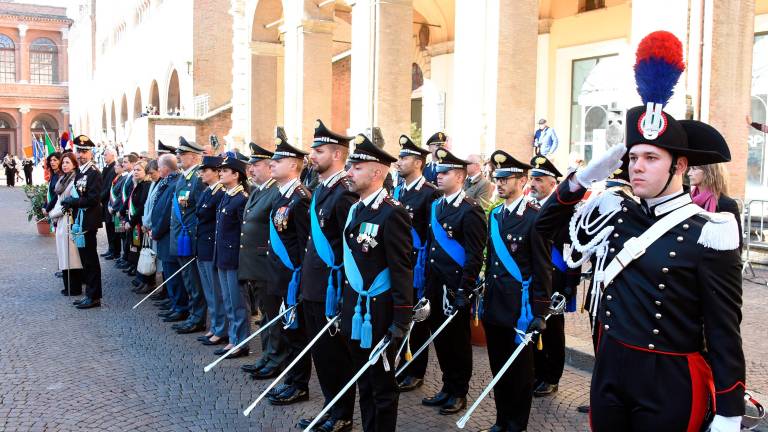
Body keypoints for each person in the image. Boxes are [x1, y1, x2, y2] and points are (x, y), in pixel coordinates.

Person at [536, 31, 745, 432]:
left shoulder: (709, 231)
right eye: (632, 157)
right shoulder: (617, 212)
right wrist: (583, 177)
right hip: (610, 373)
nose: (637, 167)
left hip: (669, 382)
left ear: (679, 166)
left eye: (651, 157)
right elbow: (544, 227)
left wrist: (729, 409)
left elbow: (724, 329)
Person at [339, 133, 412, 432]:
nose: (349, 173)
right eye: (350, 167)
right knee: (363, 382)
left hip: (379, 314)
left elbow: (402, 270)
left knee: (382, 386)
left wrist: (400, 321)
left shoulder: (392, 213)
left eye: (356, 168)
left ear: (376, 172)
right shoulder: (355, 209)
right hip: (356, 310)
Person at [480, 150, 552, 432]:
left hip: (520, 308)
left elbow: (543, 267)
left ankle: (516, 425)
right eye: (497, 178)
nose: (499, 183)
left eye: (505, 179)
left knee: (520, 371)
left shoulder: (535, 217)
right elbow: (492, 261)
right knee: (499, 366)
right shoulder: (495, 214)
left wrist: (540, 311)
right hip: (494, 303)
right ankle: (501, 421)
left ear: (522, 181)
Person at [295, 120, 357, 431]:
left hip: (331, 290)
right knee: (322, 355)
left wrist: (343, 294)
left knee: (335, 357)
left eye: (319, 151)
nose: (312, 156)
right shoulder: (323, 189)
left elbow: (350, 249)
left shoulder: (344, 194)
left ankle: (342, 414)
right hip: (314, 285)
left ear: (336, 154)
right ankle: (330, 407)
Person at [421, 147, 487, 415]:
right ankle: (447, 387)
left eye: (445, 172)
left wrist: (464, 290)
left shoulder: (470, 210)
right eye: (438, 171)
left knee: (458, 342)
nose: (438, 175)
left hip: (455, 288)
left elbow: (474, 256)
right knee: (441, 339)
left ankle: (459, 392)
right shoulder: (437, 206)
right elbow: (431, 248)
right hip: (435, 285)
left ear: (460, 176)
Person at [265, 134, 312, 406]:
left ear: (294, 165)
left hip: (293, 278)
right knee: (286, 330)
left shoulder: (300, 198)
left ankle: (299, 385)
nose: (271, 163)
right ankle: (291, 379)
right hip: (279, 275)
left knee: (296, 334)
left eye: (278, 160)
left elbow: (305, 245)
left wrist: (300, 282)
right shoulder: (281, 195)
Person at [527, 155, 579, 399]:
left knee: (553, 331)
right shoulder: (529, 208)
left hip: (556, 278)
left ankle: (551, 377)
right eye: (532, 179)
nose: (533, 184)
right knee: (535, 327)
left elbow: (574, 249)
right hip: (534, 278)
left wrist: (570, 285)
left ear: (552, 183)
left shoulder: (566, 210)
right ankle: (537, 372)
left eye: (539, 180)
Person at [393, 134, 441, 393]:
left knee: (417, 320)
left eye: (404, 158)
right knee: (400, 316)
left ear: (418, 163)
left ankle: (415, 370)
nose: (399, 162)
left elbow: (433, 236)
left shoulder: (430, 194)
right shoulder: (398, 191)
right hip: (398, 263)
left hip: (417, 267)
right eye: (399, 157)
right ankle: (402, 363)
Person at [239, 143, 286, 380]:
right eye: (250, 165)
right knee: (265, 315)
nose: (251, 169)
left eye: (256, 165)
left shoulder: (275, 192)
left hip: (266, 264)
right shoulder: (258, 191)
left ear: (270, 167)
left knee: (272, 314)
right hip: (255, 266)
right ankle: (267, 355)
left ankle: (276, 358)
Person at [213, 156, 251, 358]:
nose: (220, 173)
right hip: (223, 256)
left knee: (238, 301)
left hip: (234, 257)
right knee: (228, 300)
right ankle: (233, 338)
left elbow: (243, 233)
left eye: (225, 171)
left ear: (236, 175)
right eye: (220, 170)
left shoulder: (241, 199)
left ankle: (242, 341)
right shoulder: (227, 196)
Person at [170, 137, 207, 334]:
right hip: (181, 235)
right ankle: (193, 314)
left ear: (194, 157)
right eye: (178, 154)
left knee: (194, 280)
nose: (178, 157)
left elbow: (201, 211)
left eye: (182, 154)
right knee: (188, 278)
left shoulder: (197, 179)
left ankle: (197, 318)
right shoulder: (183, 178)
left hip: (189, 237)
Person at [61, 135, 103, 309]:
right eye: (79, 151)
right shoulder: (80, 171)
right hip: (79, 220)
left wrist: (73, 201)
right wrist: (70, 204)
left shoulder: (94, 173)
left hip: (88, 222)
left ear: (91, 153)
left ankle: (94, 297)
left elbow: (93, 199)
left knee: (90, 260)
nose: (81, 155)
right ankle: (89, 295)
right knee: (85, 260)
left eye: (85, 151)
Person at [152, 155, 190, 323]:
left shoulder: (174, 184)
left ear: (166, 168)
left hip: (168, 235)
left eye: (160, 166)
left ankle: (180, 307)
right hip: (164, 235)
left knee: (174, 274)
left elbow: (168, 213)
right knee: (169, 272)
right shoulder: (168, 182)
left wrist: (156, 230)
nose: (158, 169)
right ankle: (175, 304)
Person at [194, 156, 228, 345]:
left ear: (216, 172)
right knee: (209, 290)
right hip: (202, 246)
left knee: (216, 292)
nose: (201, 174)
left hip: (211, 246)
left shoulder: (220, 193)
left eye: (205, 170)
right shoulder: (208, 191)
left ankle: (221, 329)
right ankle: (215, 326)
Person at [48, 151, 83, 296]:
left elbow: (68, 203)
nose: (64, 165)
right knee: (63, 254)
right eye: (63, 162)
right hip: (61, 221)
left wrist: (53, 214)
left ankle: (74, 288)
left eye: (68, 162)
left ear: (74, 164)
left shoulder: (75, 180)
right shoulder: (63, 179)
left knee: (72, 256)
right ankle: (67, 286)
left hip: (69, 220)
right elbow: (58, 200)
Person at [688, 164, 742, 249]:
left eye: (694, 169)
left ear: (708, 172)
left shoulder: (727, 204)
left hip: (712, 255)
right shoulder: (687, 200)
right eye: (690, 169)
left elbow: (736, 243)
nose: (689, 173)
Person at [134, 159, 160, 294]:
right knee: (147, 253)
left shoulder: (159, 183)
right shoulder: (153, 183)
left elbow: (155, 207)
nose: (150, 176)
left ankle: (151, 283)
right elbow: (147, 204)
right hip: (147, 223)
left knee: (152, 256)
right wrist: (145, 222)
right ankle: (146, 281)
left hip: (151, 224)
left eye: (152, 173)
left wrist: (147, 223)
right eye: (149, 173)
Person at [123, 161, 151, 285]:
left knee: (140, 249)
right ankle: (137, 272)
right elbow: (130, 202)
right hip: (134, 222)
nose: (135, 172)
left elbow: (141, 206)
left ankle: (144, 278)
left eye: (138, 170)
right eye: (134, 170)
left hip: (140, 223)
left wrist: (131, 221)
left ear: (146, 172)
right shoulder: (137, 184)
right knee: (134, 247)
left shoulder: (146, 185)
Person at [116, 154, 138, 275]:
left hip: (130, 212)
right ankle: (127, 259)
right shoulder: (127, 176)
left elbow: (130, 196)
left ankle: (131, 261)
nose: (122, 164)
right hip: (124, 211)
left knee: (133, 240)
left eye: (125, 162)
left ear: (133, 163)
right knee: (125, 237)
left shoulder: (133, 177)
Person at [100, 148, 119, 260]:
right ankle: (111, 249)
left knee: (112, 227)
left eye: (106, 155)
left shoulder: (114, 168)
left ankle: (115, 251)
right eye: (104, 155)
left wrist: (99, 198)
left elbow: (109, 187)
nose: (104, 156)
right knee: (108, 226)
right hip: (105, 201)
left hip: (110, 201)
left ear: (112, 155)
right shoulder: (107, 168)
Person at [43, 152, 62, 217]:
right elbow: (49, 193)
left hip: (56, 209)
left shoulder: (61, 176)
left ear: (60, 161)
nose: (52, 162)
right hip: (51, 208)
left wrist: (47, 209)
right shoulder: (53, 175)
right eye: (51, 160)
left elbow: (56, 196)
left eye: (55, 160)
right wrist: (44, 206)